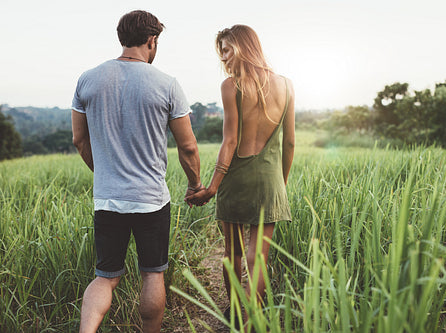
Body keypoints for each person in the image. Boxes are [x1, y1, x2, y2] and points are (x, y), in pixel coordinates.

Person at [72, 10, 203, 333]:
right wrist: (195, 184)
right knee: (152, 273)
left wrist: (103, 172)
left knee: (106, 277)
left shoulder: (88, 79)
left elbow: (79, 138)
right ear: (151, 40)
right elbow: (187, 147)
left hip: (107, 199)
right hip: (151, 201)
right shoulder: (167, 84)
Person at [186, 24, 295, 328]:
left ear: (243, 47)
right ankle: (255, 320)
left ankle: (235, 315)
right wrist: (280, 185)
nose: (223, 58)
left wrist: (211, 187)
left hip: (235, 182)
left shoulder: (231, 87)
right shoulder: (286, 85)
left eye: (226, 49)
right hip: (270, 182)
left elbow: (230, 142)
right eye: (220, 52)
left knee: (233, 254)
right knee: (257, 258)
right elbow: (290, 142)